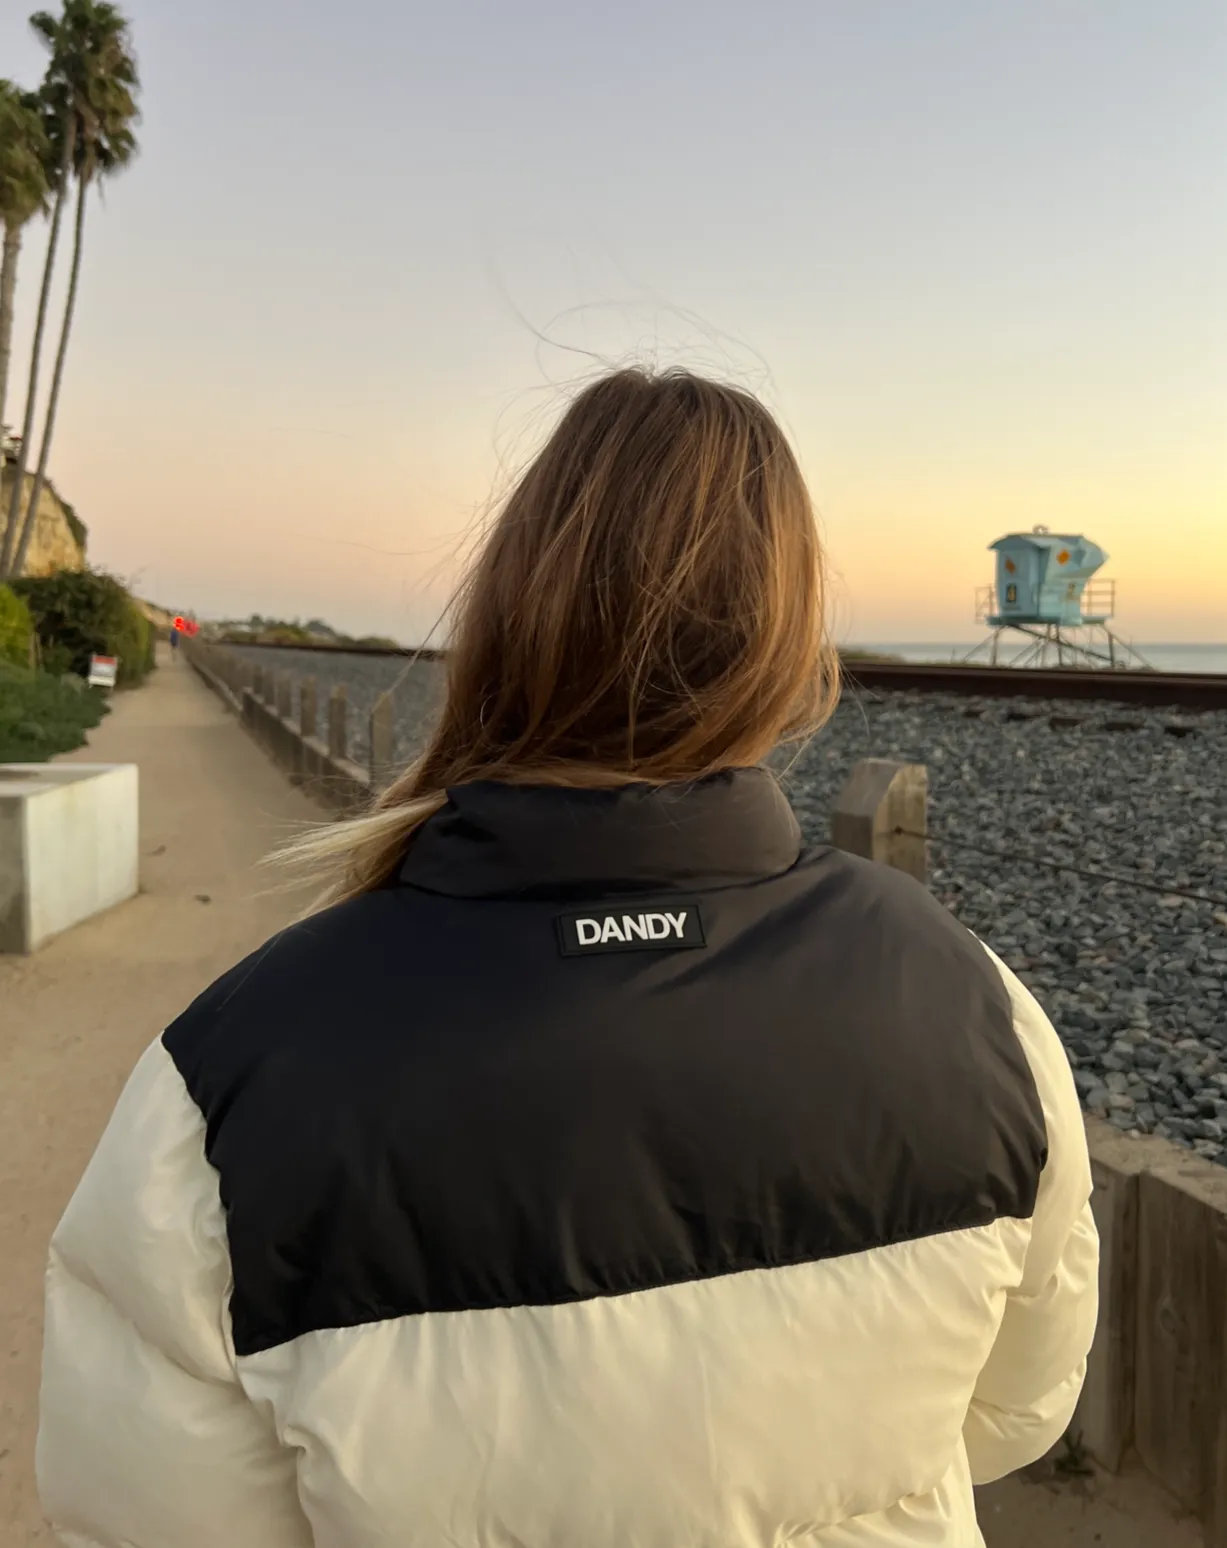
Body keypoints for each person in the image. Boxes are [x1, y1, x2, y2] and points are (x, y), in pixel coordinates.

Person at [37, 369, 1097, 1548]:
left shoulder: (231, 1082)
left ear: (506, 613)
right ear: (793, 642)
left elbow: (151, 1516)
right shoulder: (974, 1006)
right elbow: (1014, 1412)